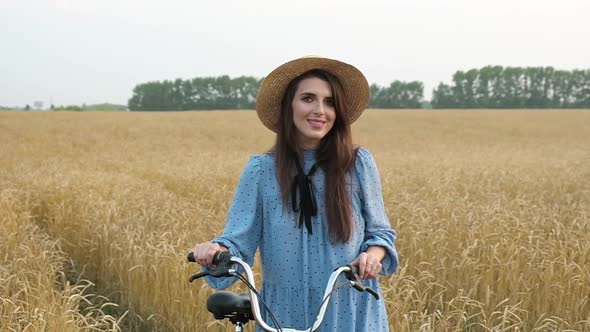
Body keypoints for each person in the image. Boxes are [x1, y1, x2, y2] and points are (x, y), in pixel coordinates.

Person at [192, 56, 398, 331]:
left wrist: (372, 256)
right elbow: (237, 241)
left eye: (330, 102)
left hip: (350, 309)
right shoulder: (261, 170)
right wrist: (215, 250)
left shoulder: (357, 163)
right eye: (308, 99)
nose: (320, 110)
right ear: (288, 106)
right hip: (283, 313)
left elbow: (380, 234)